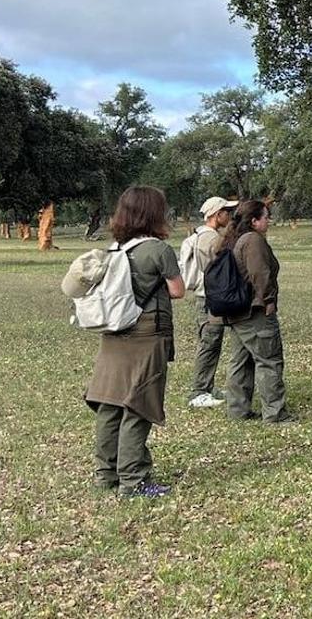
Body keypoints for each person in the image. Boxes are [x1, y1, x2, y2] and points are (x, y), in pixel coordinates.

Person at [84, 186, 184, 498]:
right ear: (154, 214)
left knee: (110, 404)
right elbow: (178, 290)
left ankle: (106, 474)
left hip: (113, 333)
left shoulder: (114, 248)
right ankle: (134, 480)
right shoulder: (158, 250)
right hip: (145, 333)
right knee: (138, 405)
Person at [221, 200, 294, 424]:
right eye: (265, 216)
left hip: (238, 312)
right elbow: (260, 274)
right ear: (254, 221)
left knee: (241, 361)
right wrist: (268, 301)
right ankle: (275, 412)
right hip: (255, 311)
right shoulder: (253, 240)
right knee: (269, 360)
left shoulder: (236, 239)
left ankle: (238, 410)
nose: (268, 221)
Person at [185, 196, 238, 408]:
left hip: (206, 295)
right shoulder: (210, 238)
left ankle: (207, 386)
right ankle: (199, 391)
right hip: (208, 297)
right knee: (209, 343)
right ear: (217, 215)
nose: (229, 215)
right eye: (226, 211)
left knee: (211, 342)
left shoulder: (202, 234)